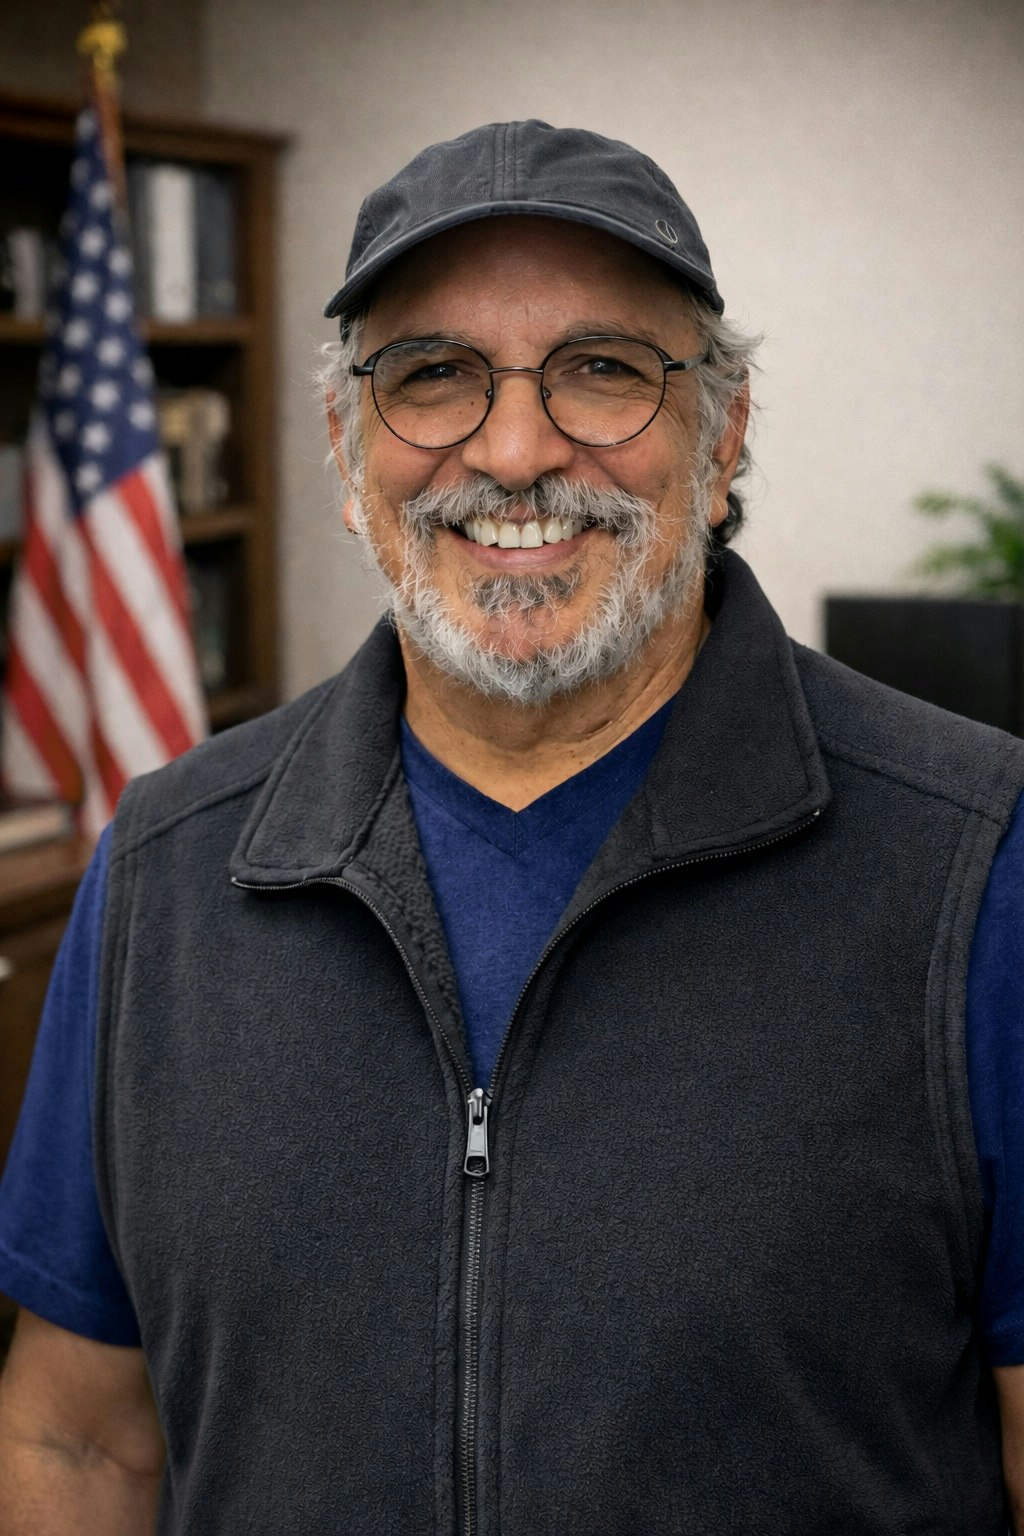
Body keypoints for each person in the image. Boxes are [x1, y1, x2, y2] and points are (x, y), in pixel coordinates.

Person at [0, 120, 1022, 1536]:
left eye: (605, 369)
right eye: (433, 375)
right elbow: (80, 1443)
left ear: (722, 436)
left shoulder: (980, 864)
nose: (520, 447)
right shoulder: (167, 871)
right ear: (350, 453)